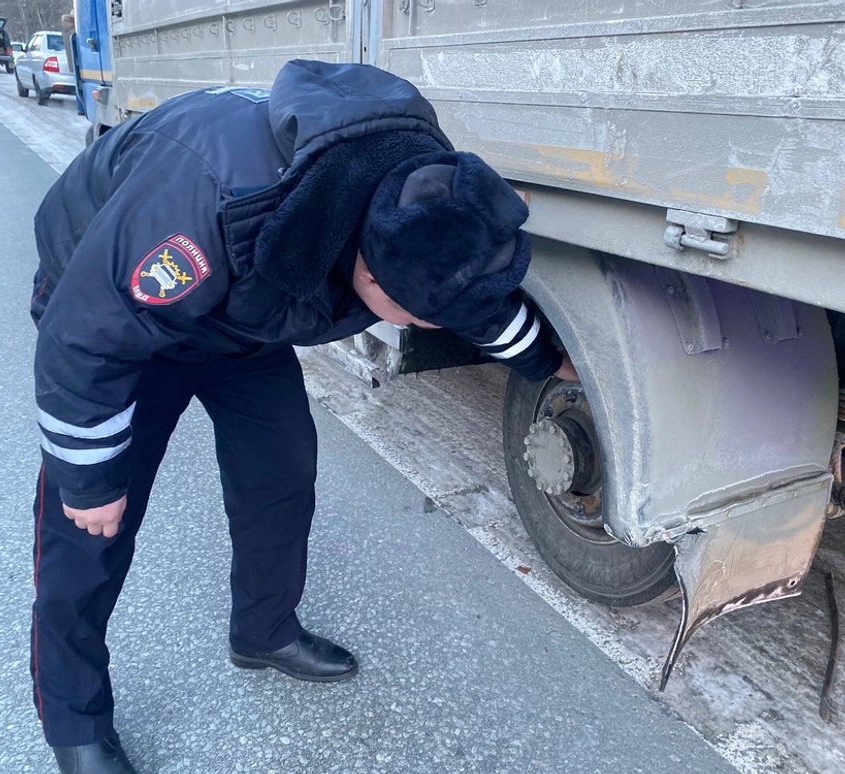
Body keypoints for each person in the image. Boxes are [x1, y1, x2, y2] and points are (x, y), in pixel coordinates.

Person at [30, 59, 576, 773]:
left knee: (281, 474)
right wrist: (89, 476)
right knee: (90, 529)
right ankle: (74, 719)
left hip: (247, 312)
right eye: (415, 314)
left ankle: (263, 631)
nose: (429, 323)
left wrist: (548, 361)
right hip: (128, 322)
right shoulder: (209, 205)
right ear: (369, 270)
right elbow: (83, 335)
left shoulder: (417, 201)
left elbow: (464, 293)